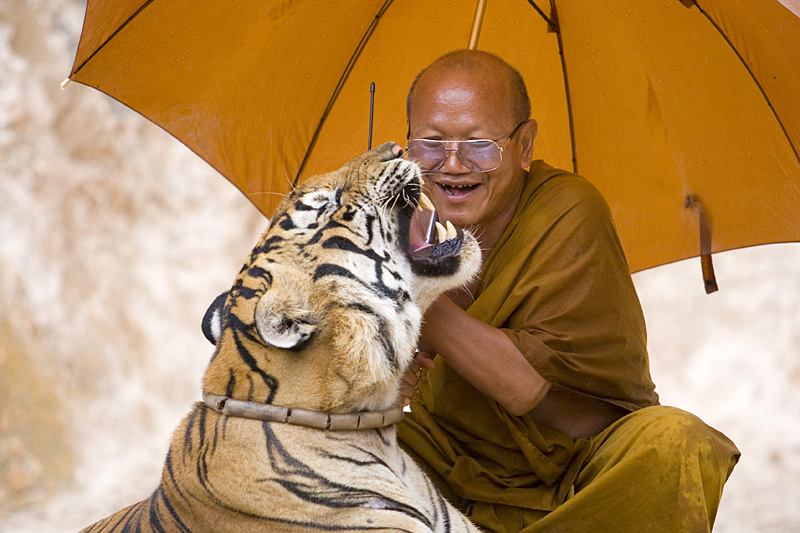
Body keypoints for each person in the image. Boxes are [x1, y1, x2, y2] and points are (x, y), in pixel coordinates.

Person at [396, 50, 739, 532]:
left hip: (576, 478)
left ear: (524, 144)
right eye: (431, 143)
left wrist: (417, 292)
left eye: (479, 144)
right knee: (323, 449)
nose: (452, 165)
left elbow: (528, 390)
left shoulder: (568, 210)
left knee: (678, 443)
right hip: (452, 471)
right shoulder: (405, 222)